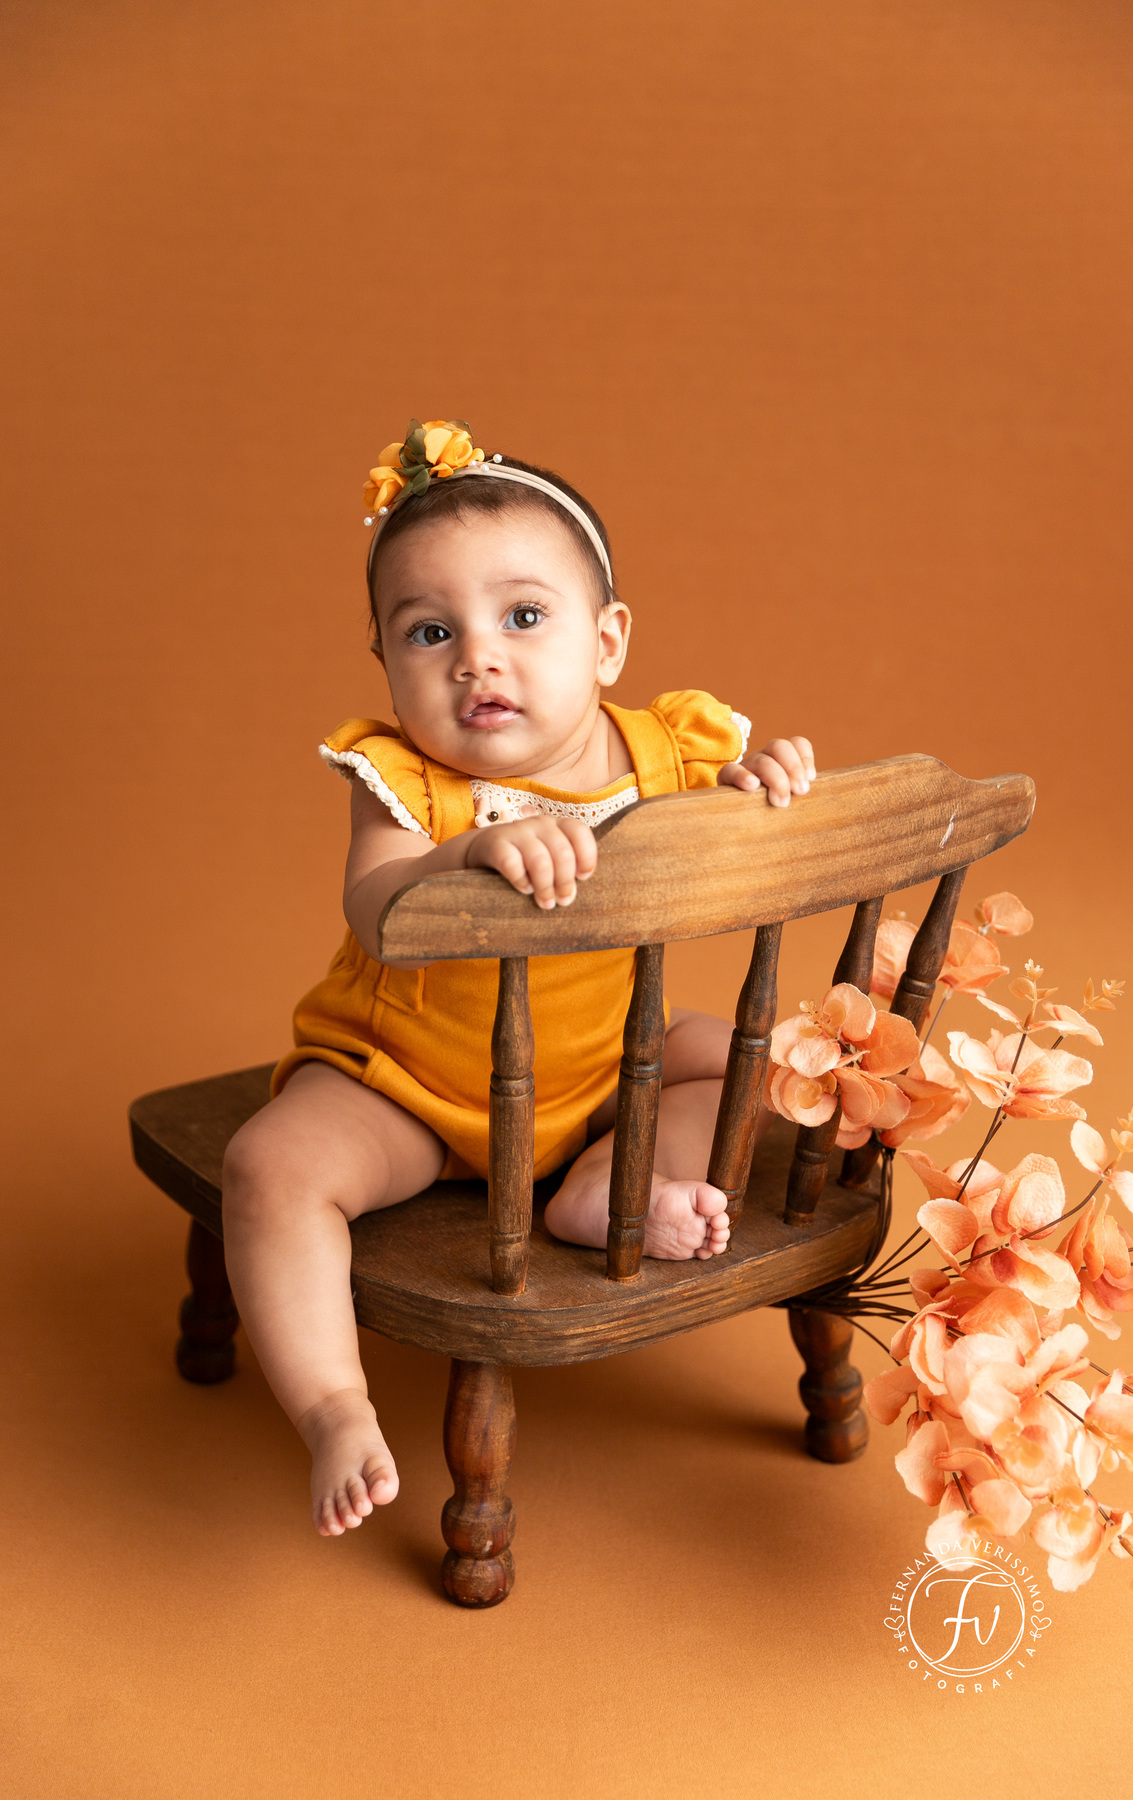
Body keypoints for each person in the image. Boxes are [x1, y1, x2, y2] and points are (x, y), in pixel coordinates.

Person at [221, 420, 816, 1538]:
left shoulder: (663, 753)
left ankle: (603, 1190)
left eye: (524, 617)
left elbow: (727, 834)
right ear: (386, 662)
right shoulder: (409, 784)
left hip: (601, 1072)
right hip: (409, 1084)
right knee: (269, 1169)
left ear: (607, 641)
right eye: (430, 631)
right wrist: (459, 857)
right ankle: (334, 1406)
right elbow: (373, 905)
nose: (477, 659)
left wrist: (759, 787)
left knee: (769, 1069)